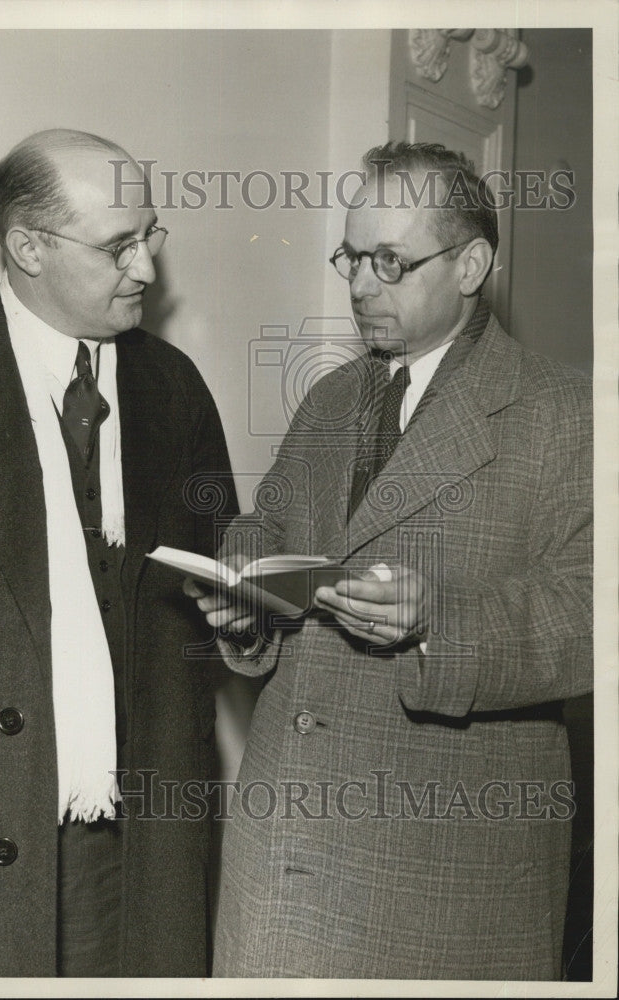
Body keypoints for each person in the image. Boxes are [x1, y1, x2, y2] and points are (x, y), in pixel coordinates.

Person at [187, 141, 592, 979]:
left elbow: (597, 613)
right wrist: (244, 584)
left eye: (391, 262)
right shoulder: (336, 394)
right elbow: (270, 522)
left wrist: (442, 622)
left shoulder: (569, 413)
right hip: (284, 847)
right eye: (352, 257)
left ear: (472, 263)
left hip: (443, 869)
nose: (361, 284)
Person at [0, 128, 236, 977]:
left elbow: (216, 598)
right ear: (27, 246)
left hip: (132, 864)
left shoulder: (175, 388)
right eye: (118, 247)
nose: (146, 270)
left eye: (151, 238)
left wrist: (244, 620)